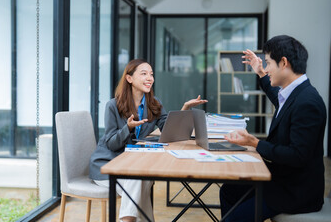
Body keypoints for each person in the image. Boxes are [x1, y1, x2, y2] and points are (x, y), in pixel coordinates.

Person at [220, 35, 326, 221]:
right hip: (282, 180)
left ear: (283, 63)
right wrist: (260, 72)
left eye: (268, 63)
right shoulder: (296, 93)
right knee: (229, 190)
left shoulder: (307, 102)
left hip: (295, 192)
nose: (267, 68)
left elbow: (298, 155)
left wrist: (255, 143)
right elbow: (278, 98)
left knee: (234, 218)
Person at [89, 58, 207, 222]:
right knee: (140, 178)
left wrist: (185, 109)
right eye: (143, 74)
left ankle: (128, 219)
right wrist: (128, 128)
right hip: (108, 165)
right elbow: (111, 143)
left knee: (141, 177)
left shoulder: (154, 103)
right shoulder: (113, 106)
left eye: (151, 74)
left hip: (133, 164)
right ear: (129, 78)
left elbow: (169, 129)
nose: (149, 78)